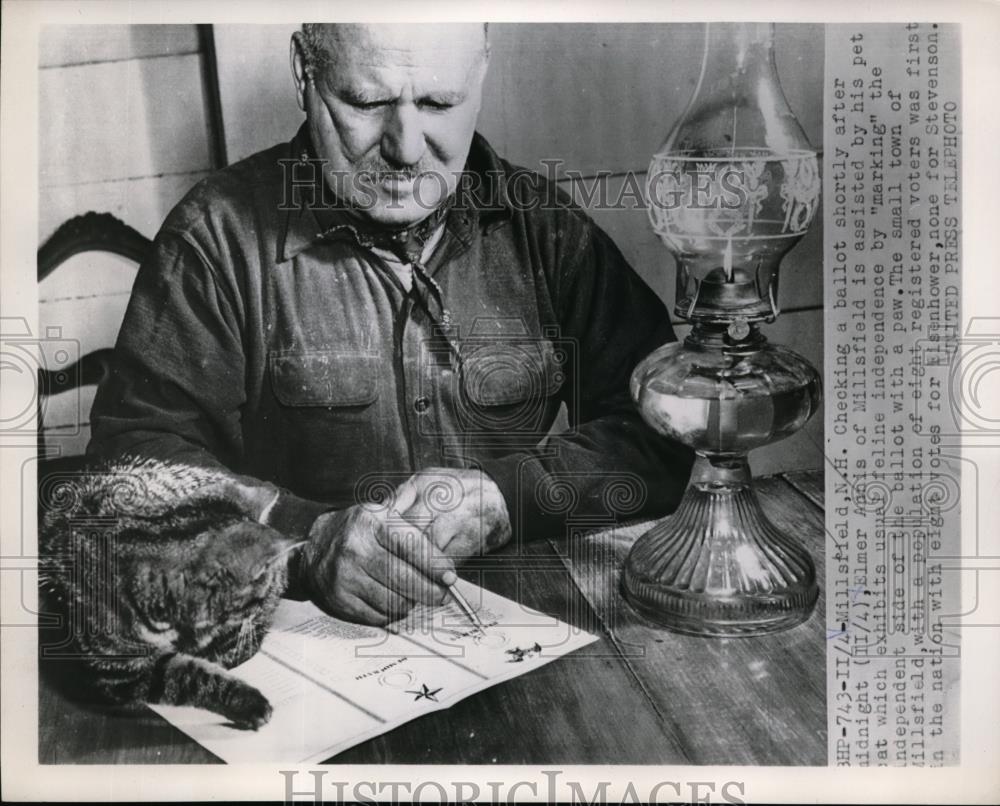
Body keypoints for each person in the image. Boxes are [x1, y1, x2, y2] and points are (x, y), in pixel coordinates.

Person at [88, 23, 692, 626]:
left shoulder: (545, 231)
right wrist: (299, 542)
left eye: (439, 103)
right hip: (306, 657)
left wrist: (511, 497)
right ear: (305, 73)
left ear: (479, 77)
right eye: (368, 102)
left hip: (514, 639)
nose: (406, 148)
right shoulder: (215, 240)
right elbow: (133, 466)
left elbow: (665, 427)